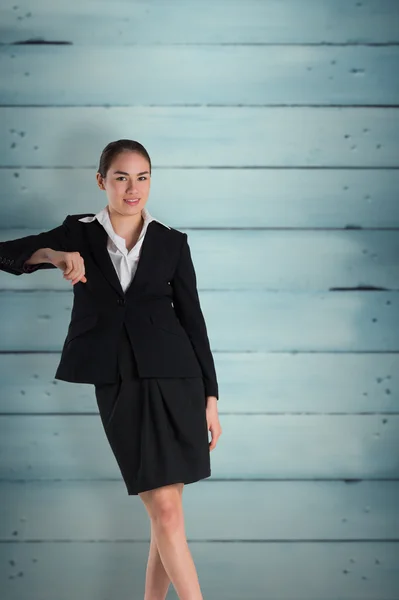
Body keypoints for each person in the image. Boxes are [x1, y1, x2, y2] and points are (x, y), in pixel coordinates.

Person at [0, 139, 222, 600]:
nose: (132, 187)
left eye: (142, 177)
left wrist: (211, 398)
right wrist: (54, 256)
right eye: (121, 177)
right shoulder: (76, 232)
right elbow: (6, 254)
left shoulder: (171, 242)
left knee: (167, 513)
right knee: (164, 511)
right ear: (101, 181)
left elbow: (194, 321)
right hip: (118, 382)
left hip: (179, 379)